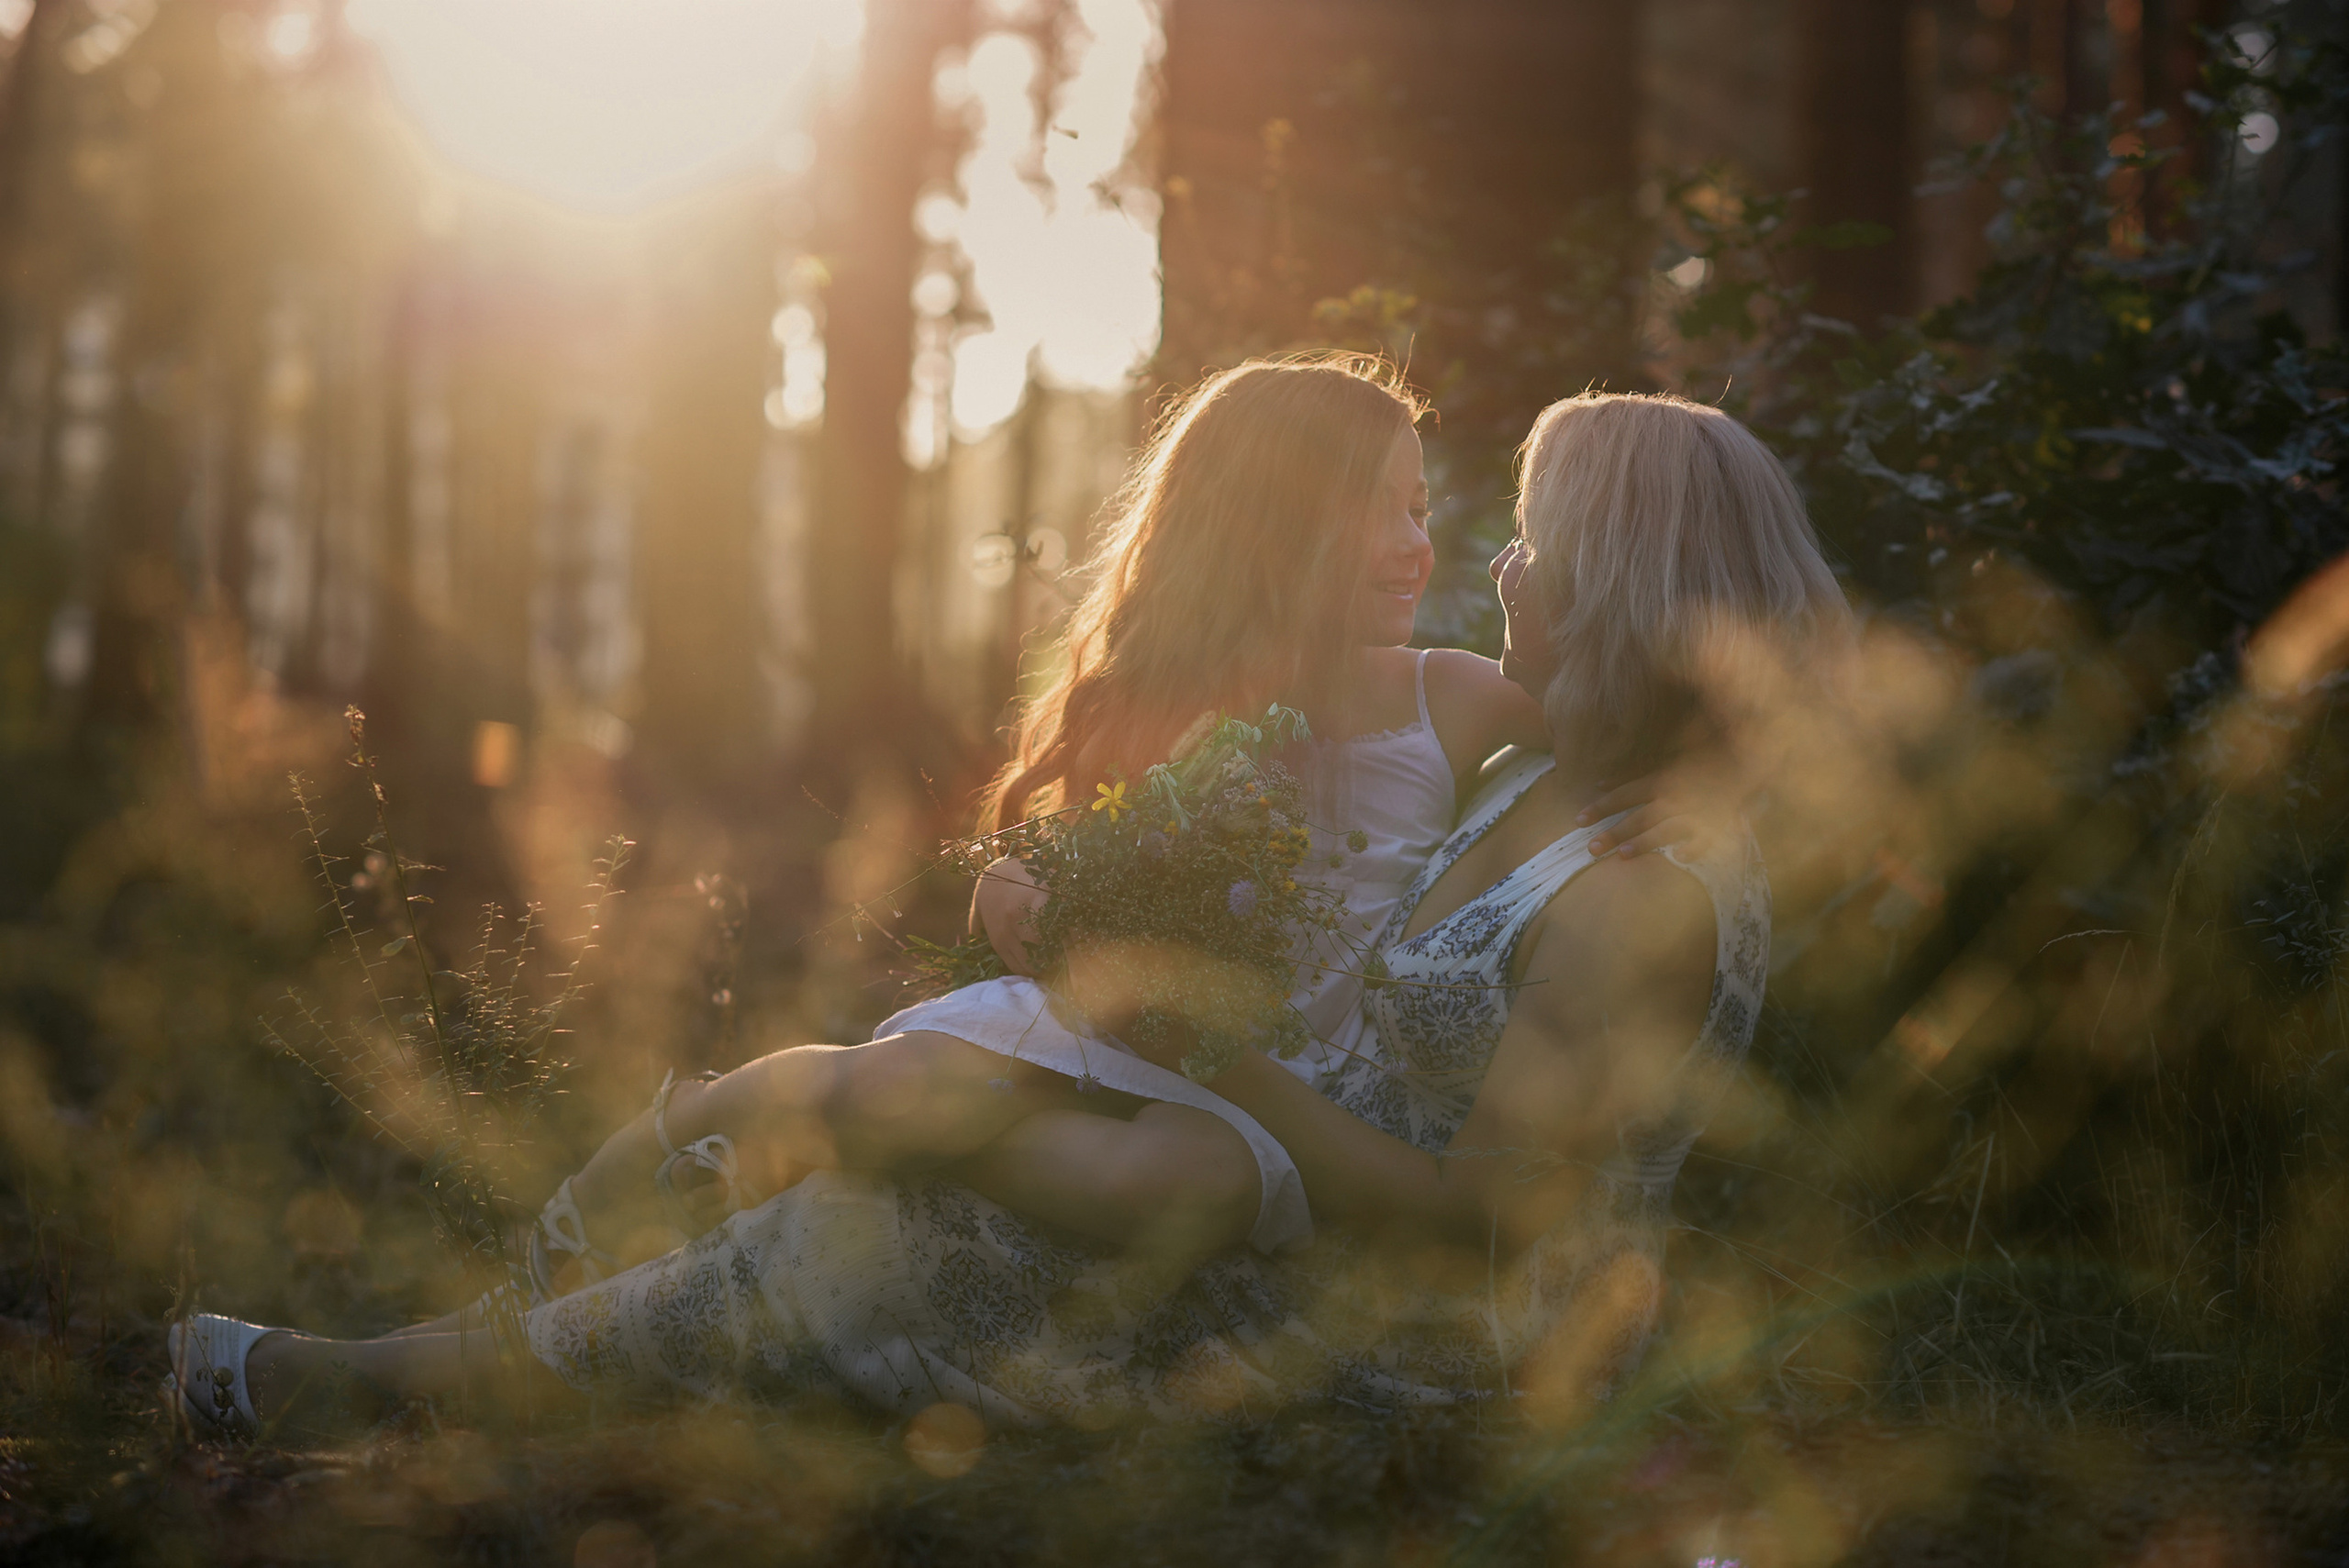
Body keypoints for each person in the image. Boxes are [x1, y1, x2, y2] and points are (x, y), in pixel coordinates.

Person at [172, 388, 1833, 1438]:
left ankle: (413, 1385)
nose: (1498, 572)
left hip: (1437, 1336)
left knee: (897, 1213)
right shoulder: (1544, 767)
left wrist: (1208, 1055)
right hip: (1274, 1186)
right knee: (892, 1178)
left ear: (1617, 582)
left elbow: (1494, 1230)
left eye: (1534, 547)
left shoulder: (1644, 886)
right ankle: (444, 1361)